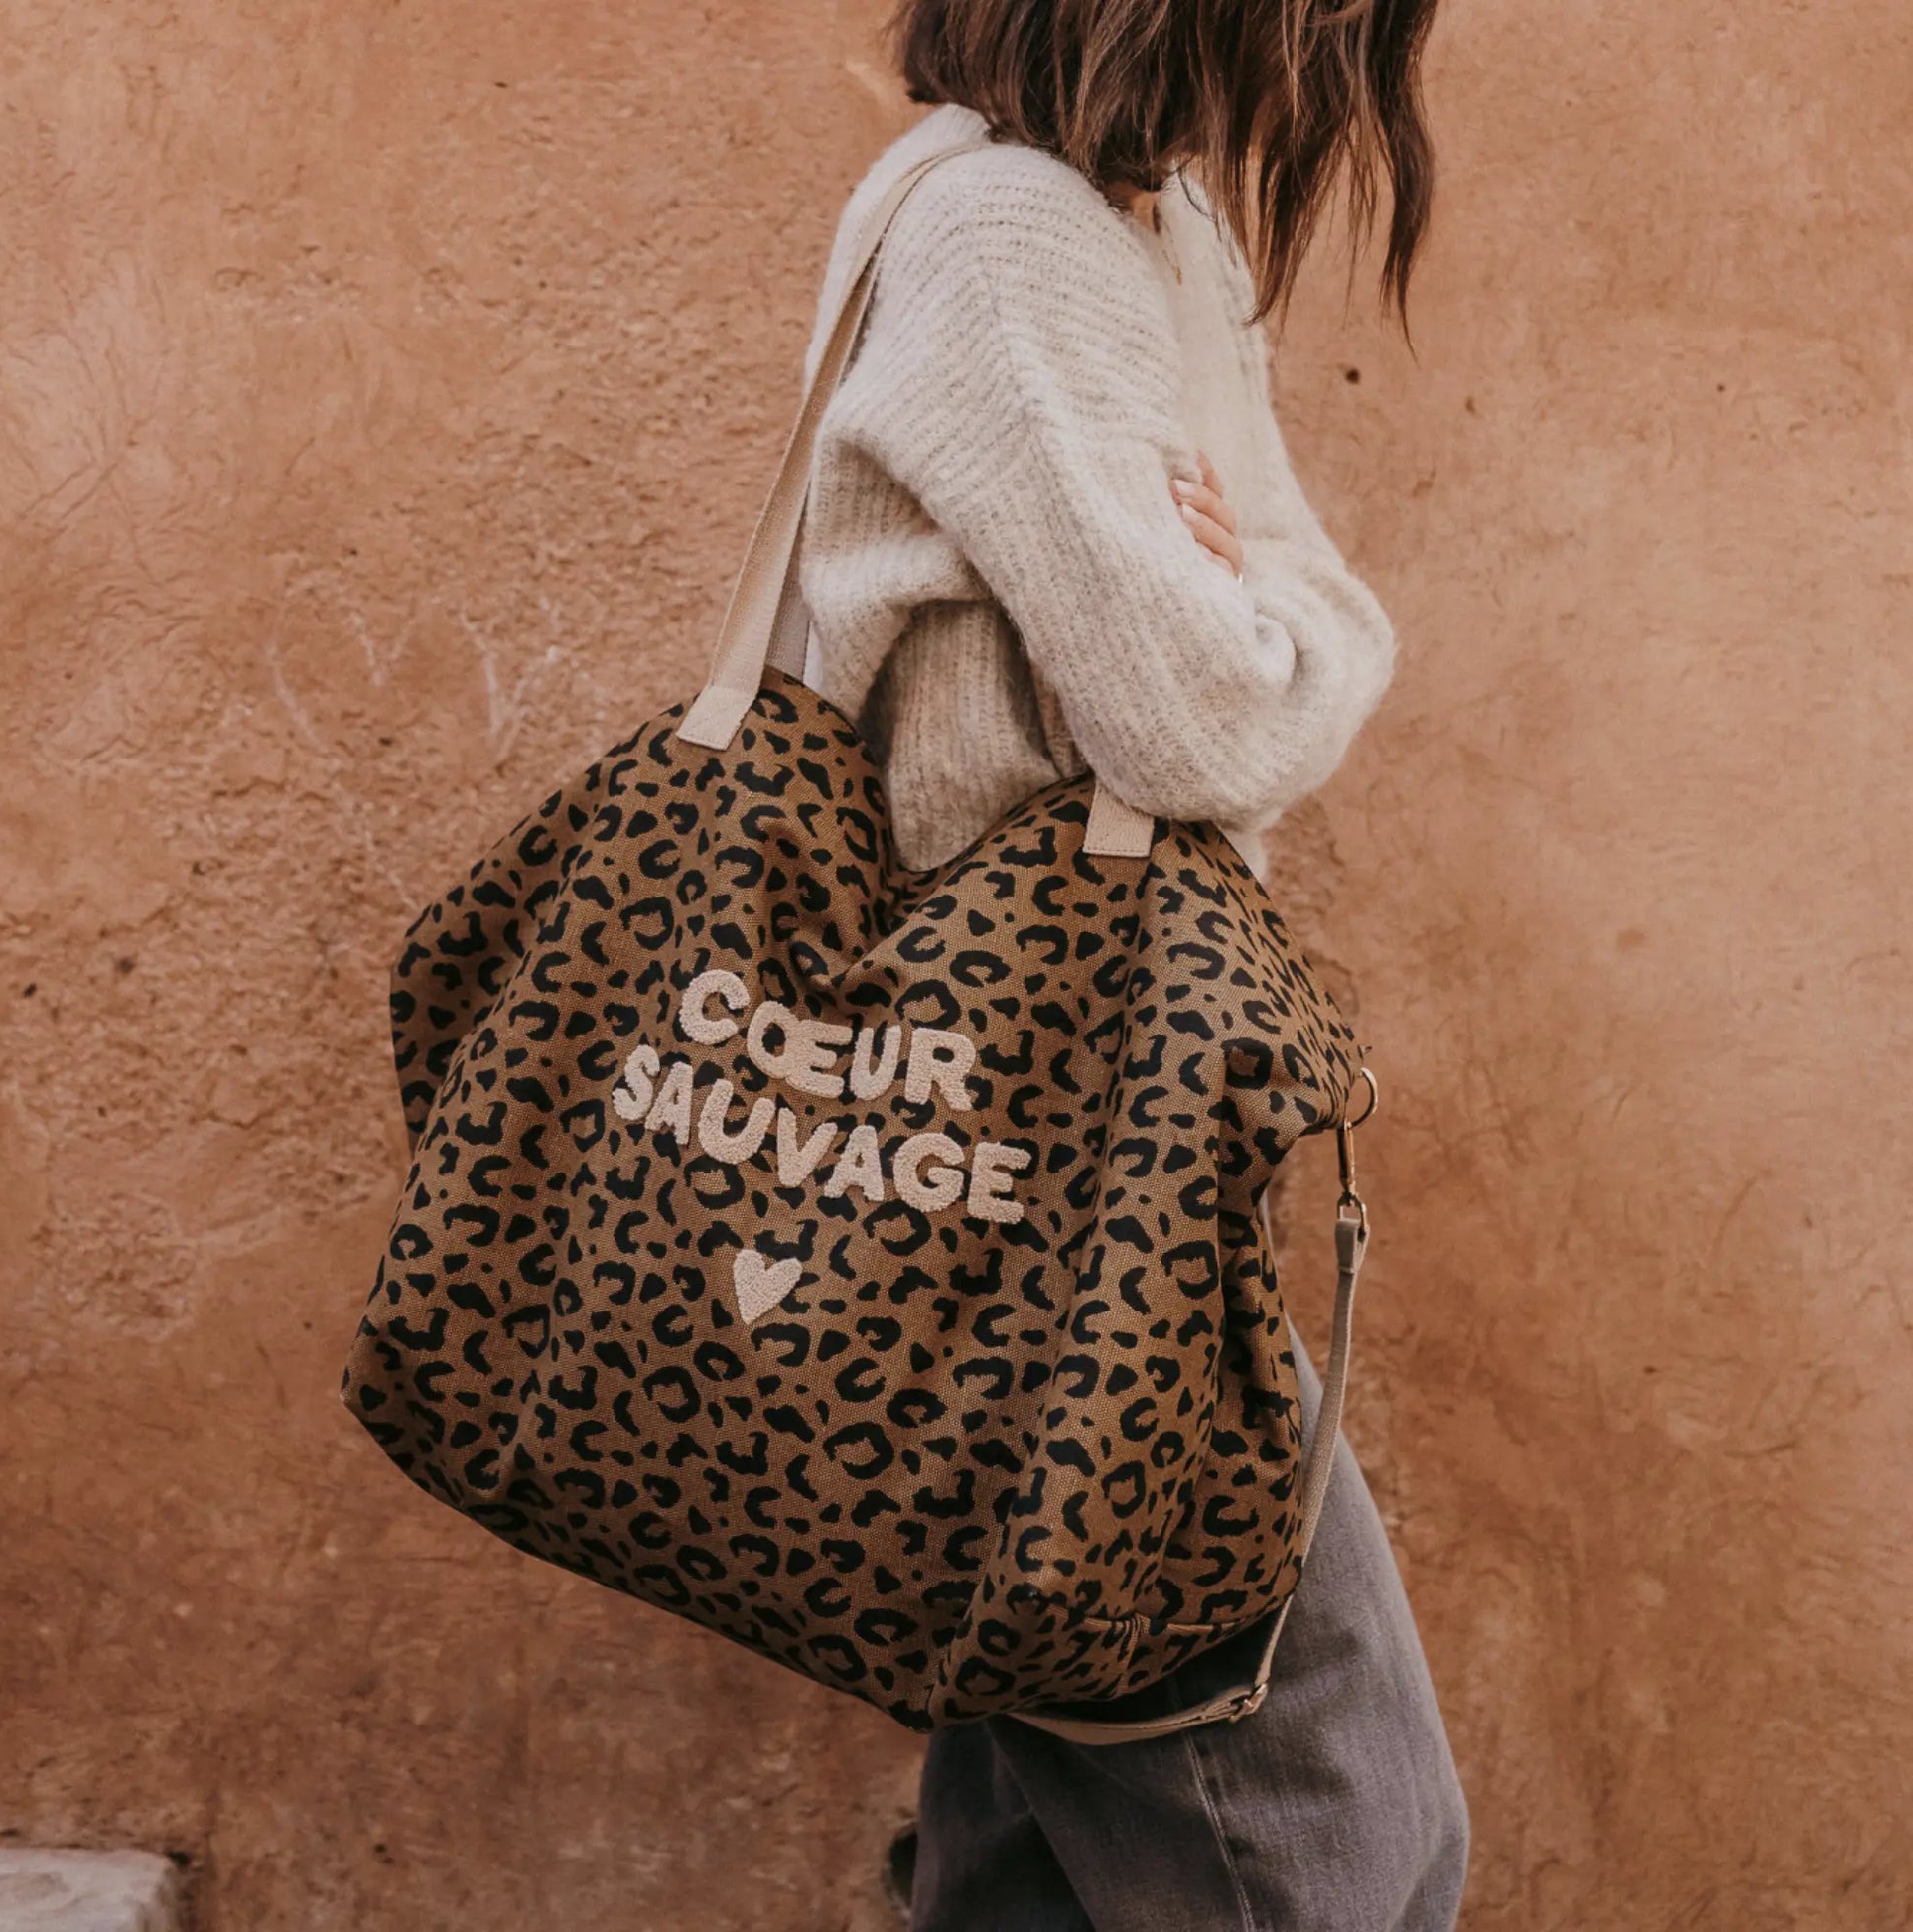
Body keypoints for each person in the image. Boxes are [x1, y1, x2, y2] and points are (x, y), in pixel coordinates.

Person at [789, 3, 1468, 1927]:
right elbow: (1207, 715)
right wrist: (1282, 613)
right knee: (1335, 1839)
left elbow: (1251, 627)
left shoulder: (1150, 229)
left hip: (1055, 1152)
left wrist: (1262, 605)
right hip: (1046, 1180)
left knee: (1033, 1861)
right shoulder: (1007, 231)